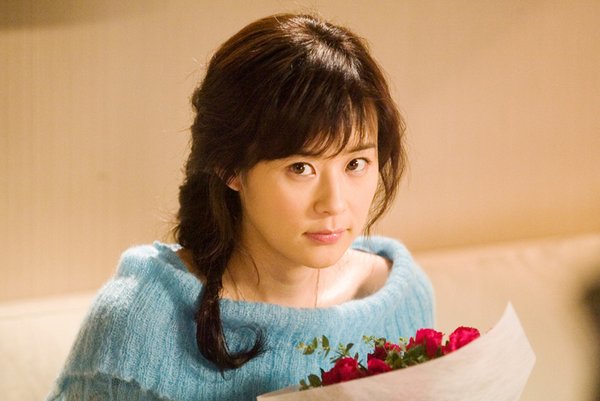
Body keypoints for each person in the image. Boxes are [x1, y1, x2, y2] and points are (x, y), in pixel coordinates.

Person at [46, 13, 434, 401]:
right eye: (301, 168)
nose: (334, 203)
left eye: (355, 164)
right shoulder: (141, 318)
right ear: (229, 167)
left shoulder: (399, 297)